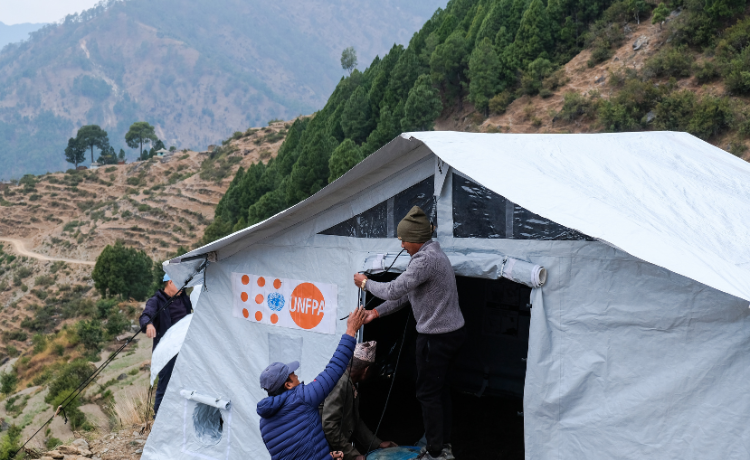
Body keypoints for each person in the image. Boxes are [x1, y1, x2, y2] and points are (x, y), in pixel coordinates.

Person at [353, 206, 465, 460]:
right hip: (451, 334)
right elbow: (406, 295)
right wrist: (376, 313)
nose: (402, 244)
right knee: (439, 390)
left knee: (427, 393)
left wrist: (365, 283)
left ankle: (435, 452)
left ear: (416, 239)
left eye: (404, 239)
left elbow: (394, 289)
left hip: (436, 338)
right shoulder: (432, 255)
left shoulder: (425, 261)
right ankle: (442, 443)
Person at [257, 307, 367, 460]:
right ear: (287, 385)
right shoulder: (302, 397)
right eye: (293, 375)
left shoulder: (264, 425)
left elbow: (297, 453)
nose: (297, 377)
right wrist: (351, 330)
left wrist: (326, 456)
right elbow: (334, 369)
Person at [321, 341, 398, 460]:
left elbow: (354, 421)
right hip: (321, 446)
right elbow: (329, 426)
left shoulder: (349, 383)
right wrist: (353, 455)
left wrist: (377, 443)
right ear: (366, 370)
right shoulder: (340, 384)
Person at [139, 273, 192, 415]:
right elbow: (145, 316)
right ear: (170, 282)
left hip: (185, 348)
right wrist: (149, 325)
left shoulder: (183, 298)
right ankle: (158, 415)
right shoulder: (156, 301)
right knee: (165, 382)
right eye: (180, 283)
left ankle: (180, 414)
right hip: (167, 351)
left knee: (186, 380)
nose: (183, 287)